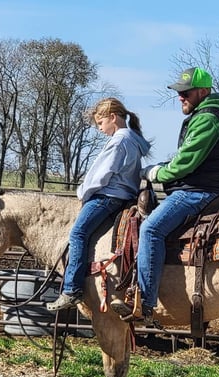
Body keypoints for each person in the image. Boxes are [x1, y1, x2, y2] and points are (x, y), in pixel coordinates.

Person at [112, 66, 219, 325]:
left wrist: (155, 172)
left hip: (198, 191)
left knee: (150, 230)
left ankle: (144, 303)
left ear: (203, 91)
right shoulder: (209, 114)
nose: (181, 97)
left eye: (187, 92)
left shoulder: (208, 118)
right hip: (200, 186)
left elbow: (185, 162)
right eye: (179, 93)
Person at [47, 97, 150, 312]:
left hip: (107, 196)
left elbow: (102, 175)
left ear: (113, 118)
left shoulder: (119, 141)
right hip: (122, 196)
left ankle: (72, 289)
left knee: (78, 234)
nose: (100, 129)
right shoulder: (131, 140)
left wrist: (83, 192)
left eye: (101, 123)